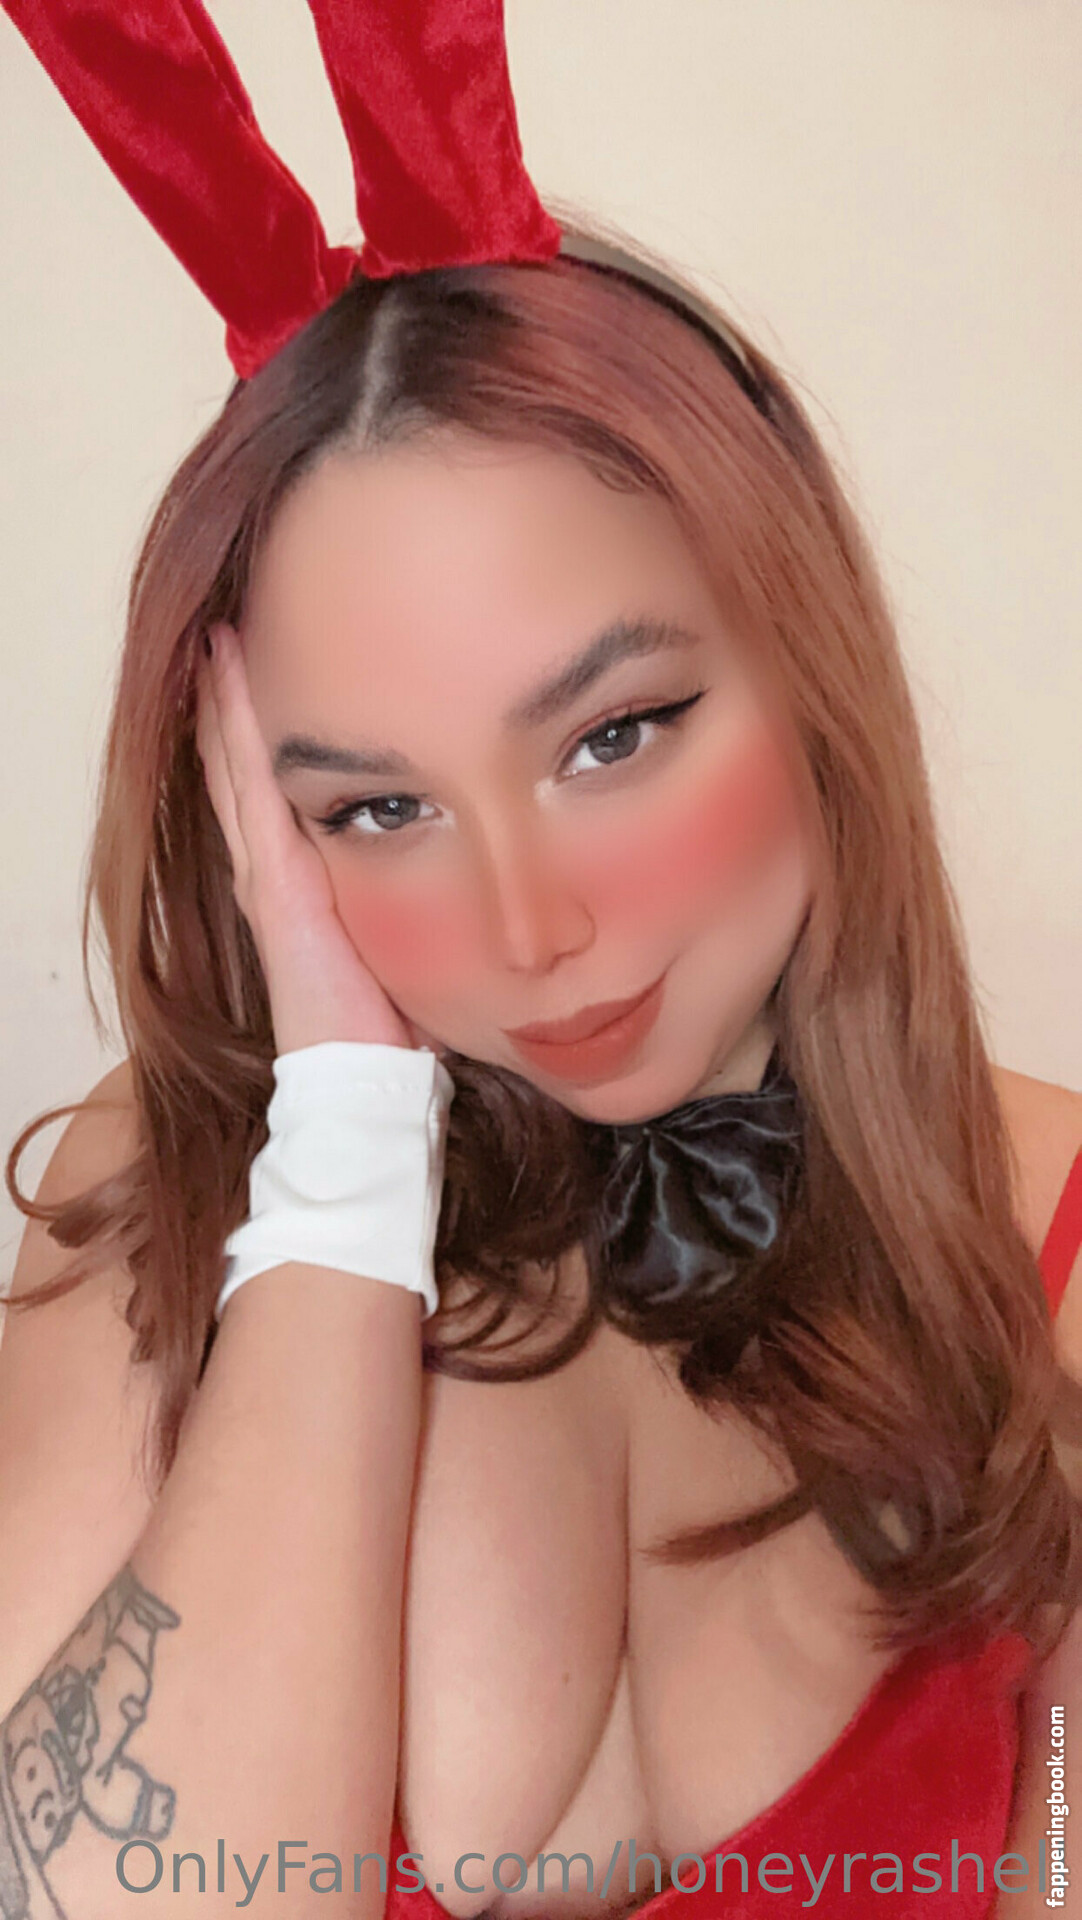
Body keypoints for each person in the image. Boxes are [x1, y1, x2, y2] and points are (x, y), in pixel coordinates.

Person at [1, 10, 1080, 1920]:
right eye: (376, 806)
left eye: (611, 736)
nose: (529, 932)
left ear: (805, 649)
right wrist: (341, 1151)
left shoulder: (1050, 1226)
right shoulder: (163, 1202)